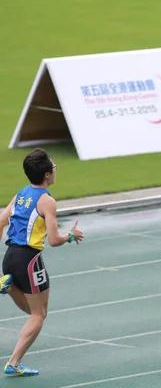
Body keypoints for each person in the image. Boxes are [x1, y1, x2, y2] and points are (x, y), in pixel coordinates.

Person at [0, 148, 84, 377]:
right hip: (29, 260)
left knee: (35, 312)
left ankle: (8, 285)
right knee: (39, 315)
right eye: (54, 167)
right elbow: (54, 240)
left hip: (9, 257)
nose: (56, 169)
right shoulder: (47, 201)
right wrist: (70, 236)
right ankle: (14, 363)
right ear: (46, 174)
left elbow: (0, 222)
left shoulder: (21, 194)